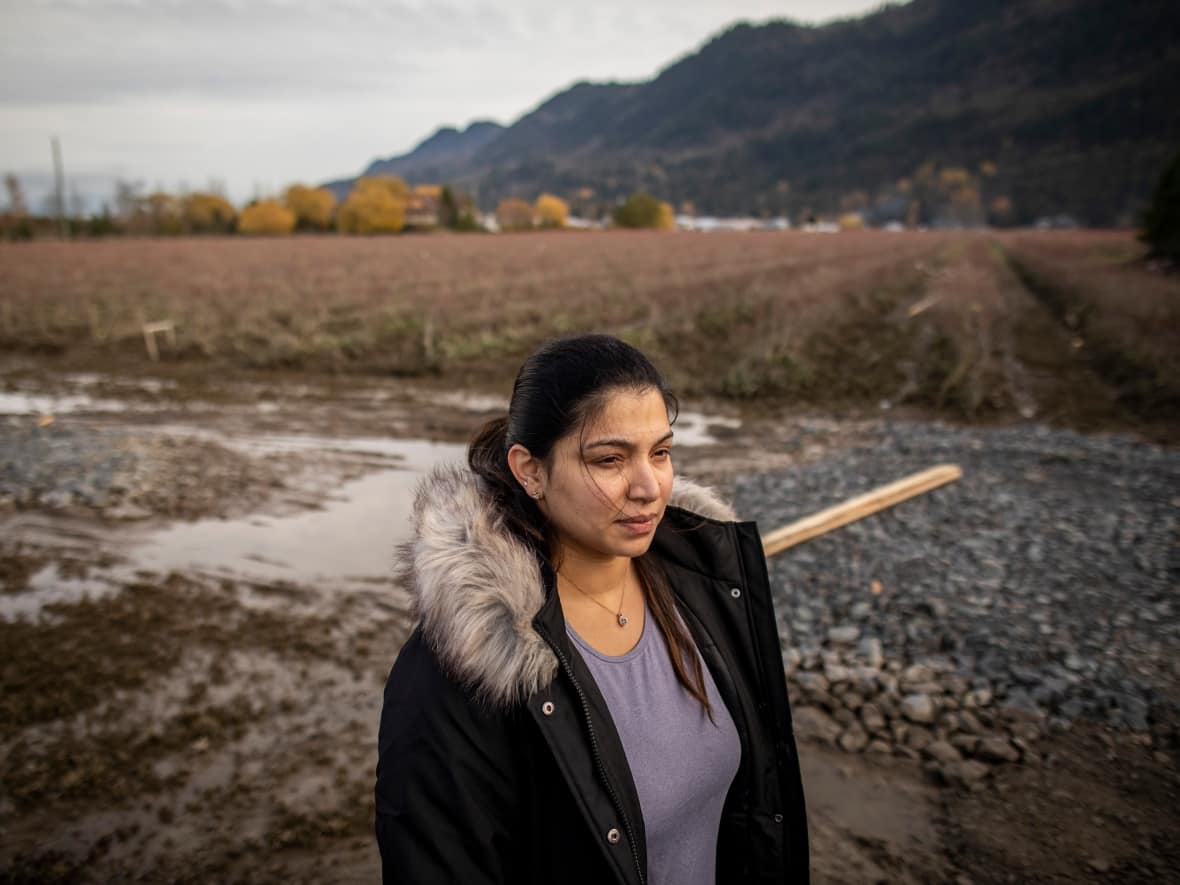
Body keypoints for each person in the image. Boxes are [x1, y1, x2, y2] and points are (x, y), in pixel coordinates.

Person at [375, 334, 808, 884]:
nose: (649, 487)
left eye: (662, 452)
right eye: (609, 460)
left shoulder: (709, 592)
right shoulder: (461, 672)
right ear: (530, 470)